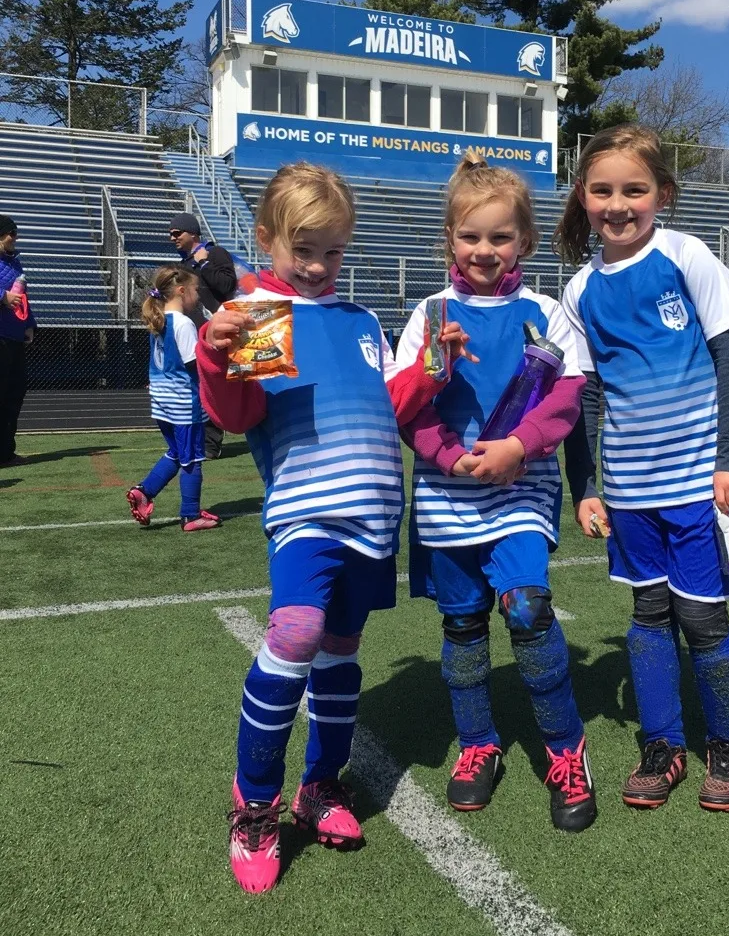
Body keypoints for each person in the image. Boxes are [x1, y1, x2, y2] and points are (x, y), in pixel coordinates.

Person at [196, 160, 473, 892]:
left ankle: (321, 785)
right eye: (304, 249)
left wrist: (434, 370)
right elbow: (236, 416)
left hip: (374, 517)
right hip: (306, 513)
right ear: (266, 238)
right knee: (294, 634)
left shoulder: (358, 321)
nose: (319, 265)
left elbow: (391, 402)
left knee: (340, 653)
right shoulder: (257, 310)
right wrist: (215, 360)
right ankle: (254, 804)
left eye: (333, 250)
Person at [395, 152, 596, 834]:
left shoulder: (546, 312)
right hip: (448, 496)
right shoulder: (428, 314)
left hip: (522, 489)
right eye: (471, 236)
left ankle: (567, 751)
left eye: (500, 237)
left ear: (526, 242)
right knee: (463, 626)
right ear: (449, 239)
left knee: (530, 611)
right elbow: (406, 408)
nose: (485, 249)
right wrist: (448, 458)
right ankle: (478, 744)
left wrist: (518, 446)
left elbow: (569, 399)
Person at [557, 124, 729, 813]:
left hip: (700, 482)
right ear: (583, 196)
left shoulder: (685, 254)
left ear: (662, 195)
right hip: (631, 491)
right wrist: (584, 487)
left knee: (702, 621)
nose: (618, 204)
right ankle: (663, 746)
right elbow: (583, 399)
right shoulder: (579, 292)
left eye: (634, 190)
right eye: (603, 189)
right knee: (647, 616)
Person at [126, 265, 221, 532]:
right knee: (191, 459)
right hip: (183, 403)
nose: (198, 296)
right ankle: (190, 515)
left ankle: (144, 492)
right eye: (195, 290)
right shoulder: (184, 323)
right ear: (181, 291)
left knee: (177, 453)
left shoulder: (159, 319)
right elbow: (194, 364)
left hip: (162, 401)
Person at [168, 212, 237, 459]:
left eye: (178, 233)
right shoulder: (183, 265)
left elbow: (228, 287)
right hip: (191, 334)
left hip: (217, 334)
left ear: (193, 233)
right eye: (170, 233)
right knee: (195, 387)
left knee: (214, 387)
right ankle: (198, 439)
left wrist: (204, 264)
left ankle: (212, 442)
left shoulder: (215, 253)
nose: (172, 237)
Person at [0, 215, 37, 468]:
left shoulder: (15, 263)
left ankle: (5, 452)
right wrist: (2, 297)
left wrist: (29, 324)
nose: (15, 237)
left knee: (14, 393)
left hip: (13, 335)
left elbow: (22, 298)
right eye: (11, 233)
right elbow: (9, 296)